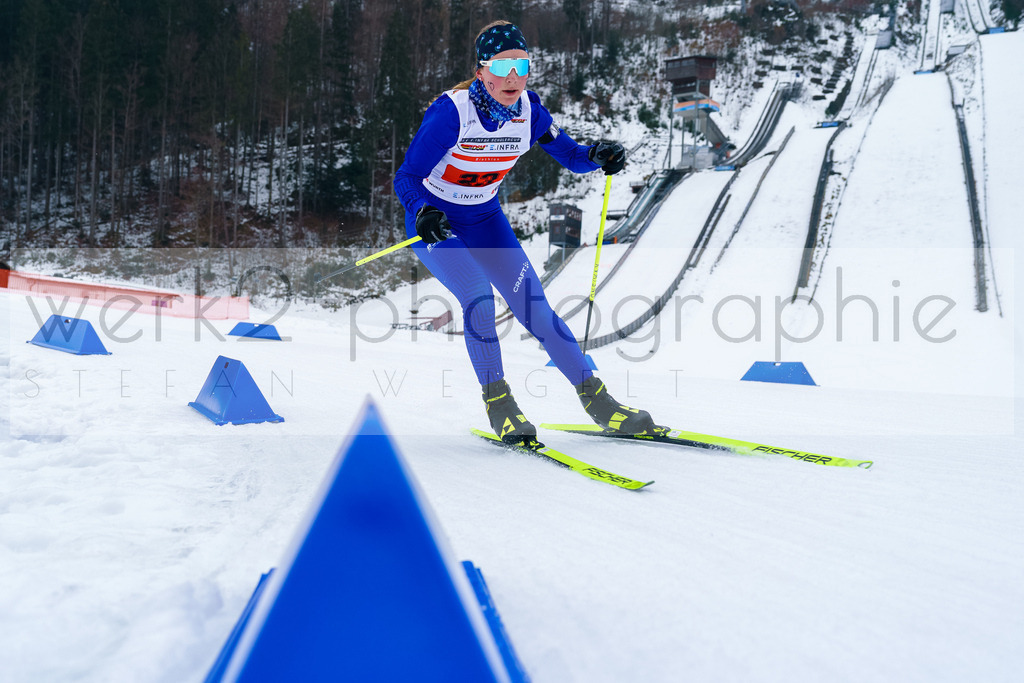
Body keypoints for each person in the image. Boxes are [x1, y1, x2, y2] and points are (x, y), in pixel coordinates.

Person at [393, 20, 654, 444]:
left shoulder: (530, 111)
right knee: (478, 297)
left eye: (520, 64)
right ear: (481, 71)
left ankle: (601, 403)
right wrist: (422, 210)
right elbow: (407, 177)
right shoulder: (452, 112)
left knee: (536, 309)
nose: (511, 76)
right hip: (436, 224)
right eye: (500, 66)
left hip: (484, 219)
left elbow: (571, 156)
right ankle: (501, 406)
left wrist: (598, 155)